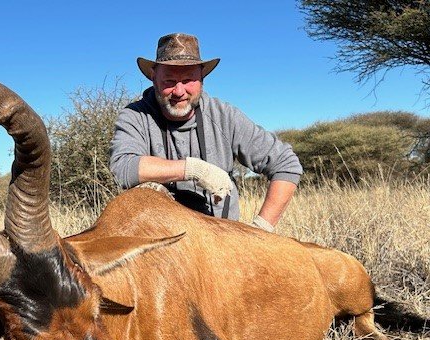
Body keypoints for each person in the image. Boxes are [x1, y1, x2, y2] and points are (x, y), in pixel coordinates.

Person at [109, 33, 302, 232]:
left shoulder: (225, 115)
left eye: (188, 80)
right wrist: (195, 170)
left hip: (220, 239)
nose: (179, 91)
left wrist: (260, 229)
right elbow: (123, 168)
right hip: (161, 242)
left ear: (202, 78)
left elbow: (286, 164)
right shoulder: (135, 116)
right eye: (169, 80)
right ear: (153, 77)